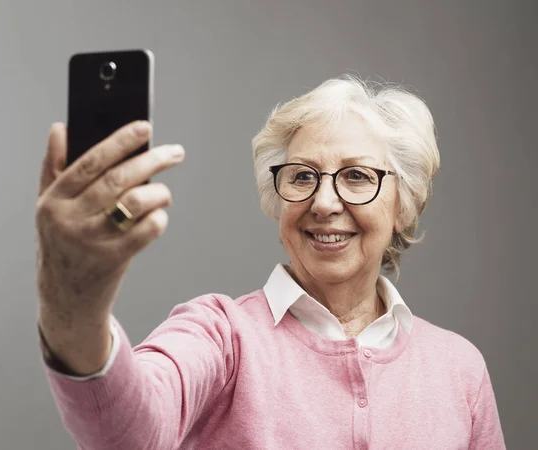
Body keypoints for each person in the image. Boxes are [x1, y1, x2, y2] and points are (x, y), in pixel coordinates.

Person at [35, 75, 506, 449]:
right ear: (277, 199)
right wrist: (75, 300)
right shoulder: (221, 335)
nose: (323, 202)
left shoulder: (459, 368)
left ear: (403, 203)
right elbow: (126, 435)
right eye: (302, 176)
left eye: (357, 176)